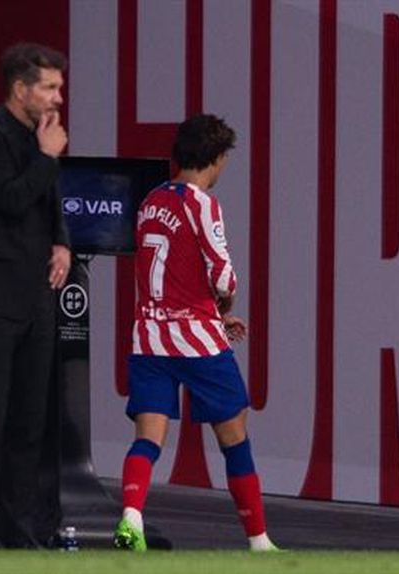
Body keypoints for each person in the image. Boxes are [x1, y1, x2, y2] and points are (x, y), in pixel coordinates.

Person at [113, 114, 280, 552]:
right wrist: (222, 307)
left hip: (150, 336)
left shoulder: (150, 201)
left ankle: (131, 517)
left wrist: (211, 314)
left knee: (148, 437)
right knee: (234, 436)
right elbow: (223, 277)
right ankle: (259, 541)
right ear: (216, 158)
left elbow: (168, 275)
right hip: (197, 341)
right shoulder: (202, 204)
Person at [0, 42, 72, 549]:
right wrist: (46, 157)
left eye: (59, 87)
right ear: (20, 89)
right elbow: (10, 199)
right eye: (49, 87)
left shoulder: (41, 137)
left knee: (29, 423)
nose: (58, 97)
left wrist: (62, 242)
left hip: (36, 297)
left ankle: (19, 530)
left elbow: (48, 203)